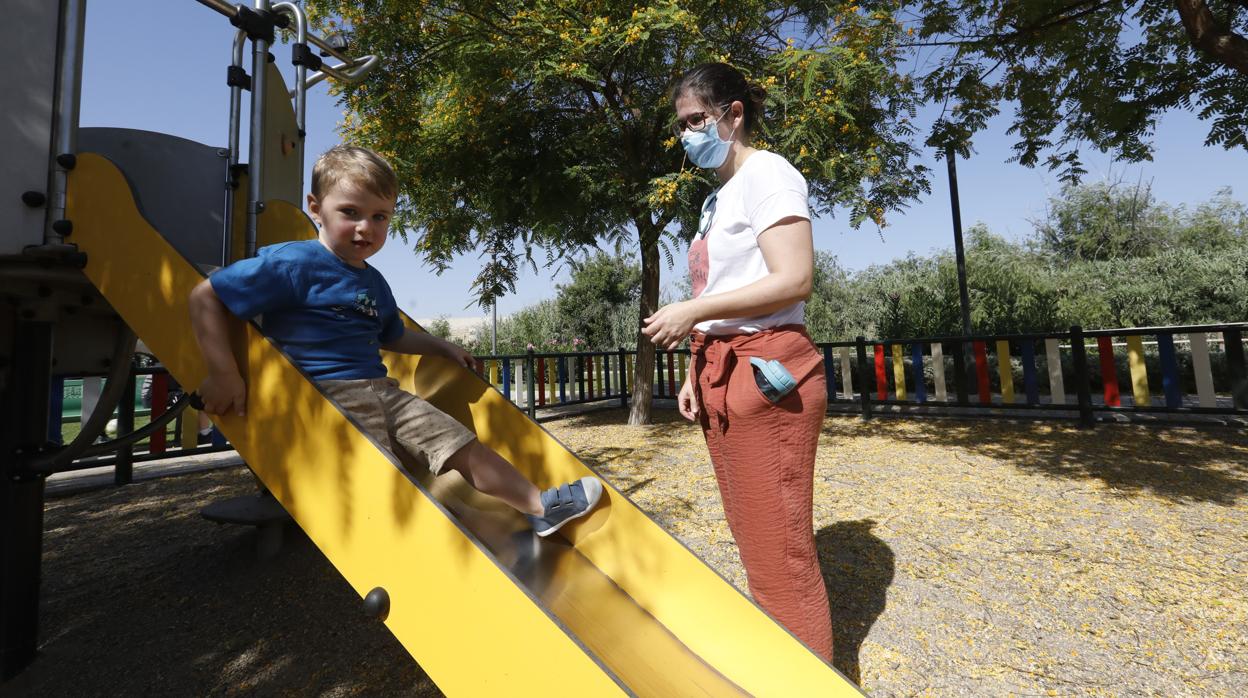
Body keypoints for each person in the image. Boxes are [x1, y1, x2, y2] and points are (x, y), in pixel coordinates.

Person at [188, 145, 602, 538]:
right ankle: (410, 545)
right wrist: (223, 373)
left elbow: (393, 335)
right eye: (350, 212)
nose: (366, 227)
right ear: (315, 208)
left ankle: (541, 507)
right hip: (327, 398)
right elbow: (206, 296)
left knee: (457, 442)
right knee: (381, 478)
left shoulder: (373, 281)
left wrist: (440, 345)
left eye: (380, 217)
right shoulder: (292, 264)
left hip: (384, 392)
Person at [642, 63, 834, 660]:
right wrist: (695, 368)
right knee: (756, 539)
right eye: (681, 125)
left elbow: (794, 278)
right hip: (723, 373)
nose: (688, 134)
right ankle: (784, 667)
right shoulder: (718, 197)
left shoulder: (769, 174)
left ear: (734, 114)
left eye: (697, 119)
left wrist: (691, 309)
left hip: (768, 373)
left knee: (782, 555)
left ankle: (811, 677)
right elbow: (727, 290)